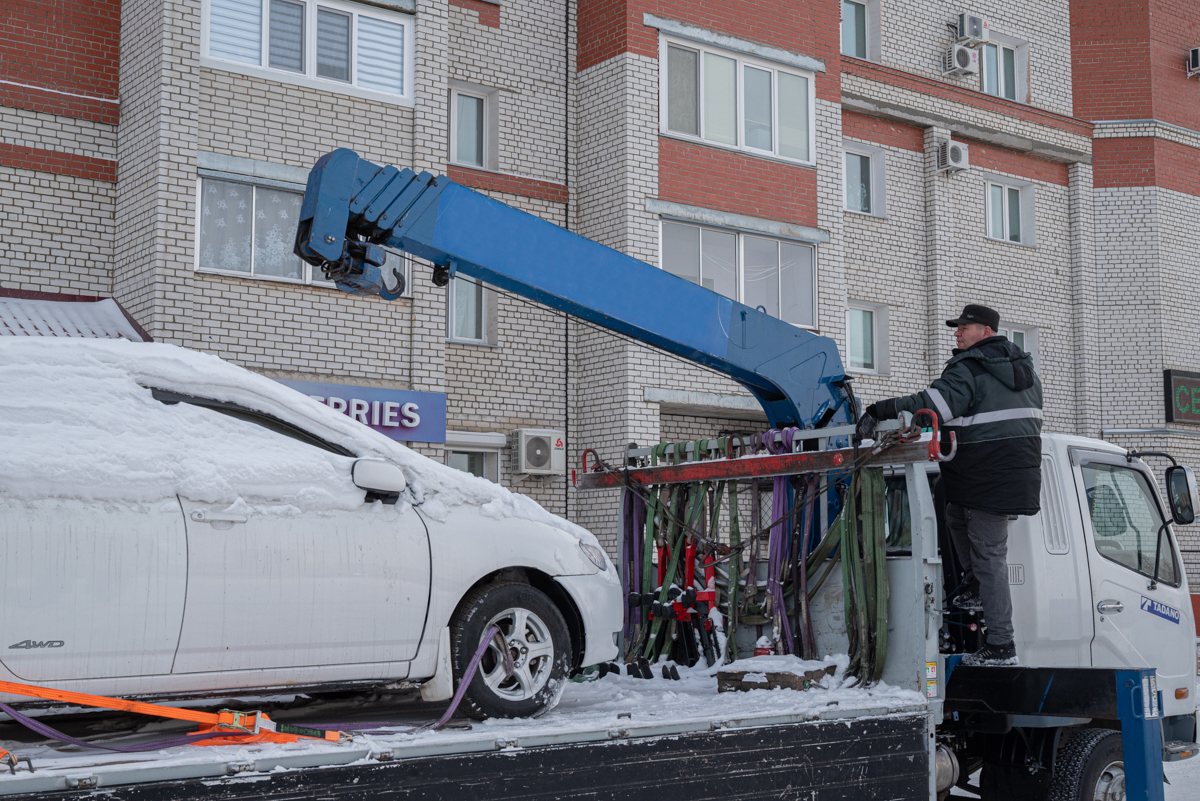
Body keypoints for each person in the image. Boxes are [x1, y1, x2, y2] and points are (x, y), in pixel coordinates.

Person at [855, 304, 1042, 666]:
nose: (956, 333)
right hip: (1008, 470)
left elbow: (931, 406)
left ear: (986, 332)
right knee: (952, 508)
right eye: (957, 328)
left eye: (964, 327)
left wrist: (882, 409)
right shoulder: (1024, 373)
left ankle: (1002, 644)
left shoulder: (971, 367)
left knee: (990, 558)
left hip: (987, 470)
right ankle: (973, 587)